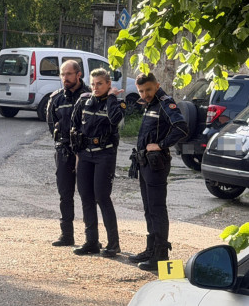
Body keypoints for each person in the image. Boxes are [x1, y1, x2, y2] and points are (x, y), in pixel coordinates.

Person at [130, 73, 188, 271]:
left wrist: (161, 144)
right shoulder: (150, 104)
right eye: (141, 91)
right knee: (149, 208)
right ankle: (151, 249)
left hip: (157, 164)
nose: (144, 94)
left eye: (148, 89)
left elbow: (181, 128)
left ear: (157, 85)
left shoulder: (165, 103)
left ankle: (160, 255)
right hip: (145, 162)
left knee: (157, 209)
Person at [70, 67, 125, 257]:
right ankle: (91, 241)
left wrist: (111, 98)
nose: (95, 87)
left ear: (109, 84)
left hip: (105, 154)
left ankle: (113, 244)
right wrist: (77, 153)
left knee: (102, 197)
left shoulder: (116, 103)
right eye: (93, 84)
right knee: (86, 197)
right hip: (85, 154)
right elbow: (74, 125)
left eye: (100, 84)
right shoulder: (84, 100)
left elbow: (115, 119)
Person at [45, 60, 90, 247]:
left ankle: (91, 239)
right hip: (64, 151)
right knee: (65, 194)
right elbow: (51, 124)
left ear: (79, 75)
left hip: (85, 153)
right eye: (62, 74)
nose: (65, 78)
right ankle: (66, 235)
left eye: (69, 74)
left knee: (87, 195)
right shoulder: (56, 98)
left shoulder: (90, 96)